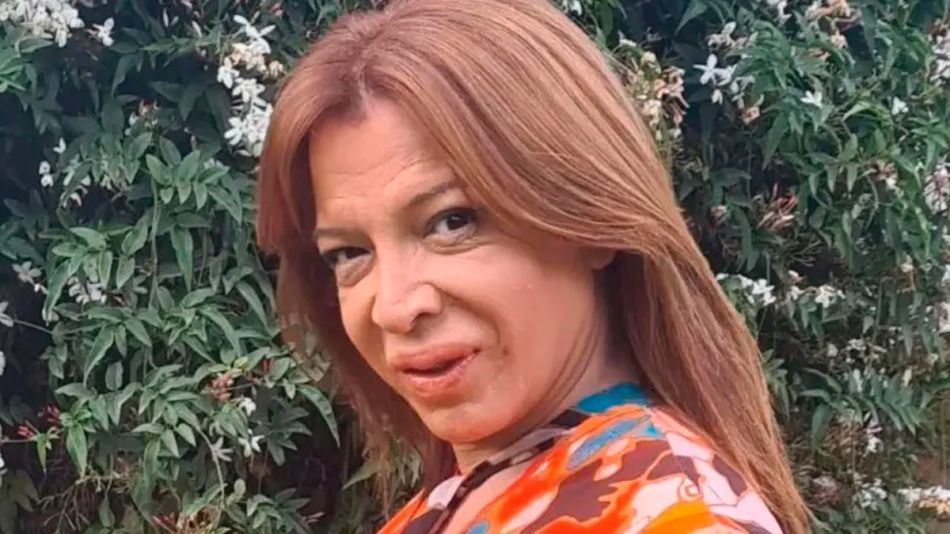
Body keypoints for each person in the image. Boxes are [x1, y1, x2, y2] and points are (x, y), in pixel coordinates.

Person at [256, 0, 809, 532]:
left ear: (593, 218)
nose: (395, 308)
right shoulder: (483, 487)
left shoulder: (671, 517)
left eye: (453, 222)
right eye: (349, 253)